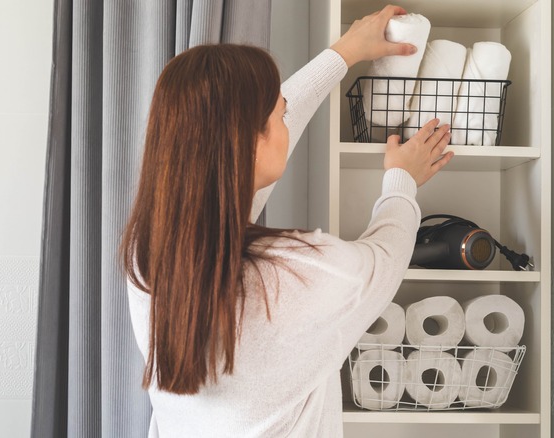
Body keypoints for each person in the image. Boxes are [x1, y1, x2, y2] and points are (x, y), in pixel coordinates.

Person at [121, 5, 454, 437]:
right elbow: (384, 261)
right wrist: (401, 180)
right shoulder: (302, 276)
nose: (285, 117)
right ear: (247, 142)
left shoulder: (149, 254)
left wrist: (344, 53)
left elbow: (267, 131)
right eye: (277, 114)